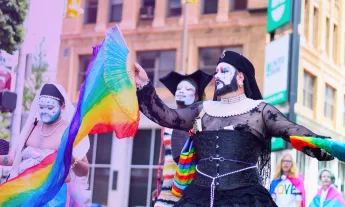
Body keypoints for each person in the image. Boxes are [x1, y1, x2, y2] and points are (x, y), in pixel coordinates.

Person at [135, 50, 334, 207]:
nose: (217, 75)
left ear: (240, 77)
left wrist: (332, 147)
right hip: (198, 197)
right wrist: (144, 84)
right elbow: (167, 116)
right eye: (216, 71)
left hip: (245, 199)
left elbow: (294, 132)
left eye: (224, 71)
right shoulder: (203, 109)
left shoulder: (259, 111)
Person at [0, 83, 91, 206]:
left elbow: (84, 171)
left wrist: (71, 158)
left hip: (53, 197)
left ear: (62, 107)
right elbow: (14, 159)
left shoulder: (70, 131)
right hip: (24, 192)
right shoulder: (32, 126)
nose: (45, 112)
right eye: (41, 107)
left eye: (49, 107)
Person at [153, 70, 213, 207]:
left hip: (189, 192)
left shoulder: (201, 122)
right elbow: (166, 158)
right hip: (166, 193)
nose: (181, 91)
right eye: (179, 89)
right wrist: (161, 184)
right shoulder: (166, 124)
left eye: (188, 89)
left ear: (197, 96)